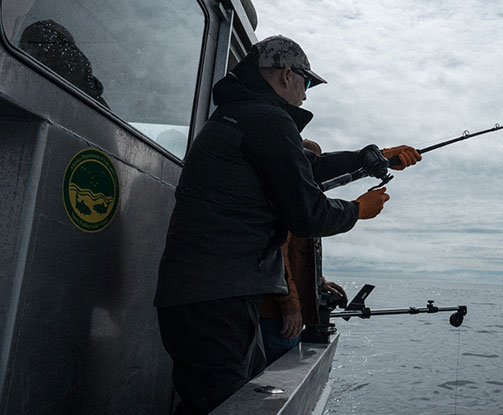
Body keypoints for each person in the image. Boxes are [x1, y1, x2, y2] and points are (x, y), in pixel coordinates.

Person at [153, 35, 421, 414]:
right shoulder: (268, 120)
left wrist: (370, 158)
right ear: (285, 74)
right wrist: (358, 210)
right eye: (306, 82)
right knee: (219, 404)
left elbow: (305, 166)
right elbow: (307, 215)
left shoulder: (242, 115)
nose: (306, 95)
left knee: (210, 401)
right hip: (218, 297)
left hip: (204, 293)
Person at [259, 140, 347, 365]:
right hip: (275, 314)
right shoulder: (288, 199)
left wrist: (319, 281)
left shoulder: (303, 200)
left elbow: (300, 254)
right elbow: (277, 256)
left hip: (281, 310)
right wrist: (290, 307)